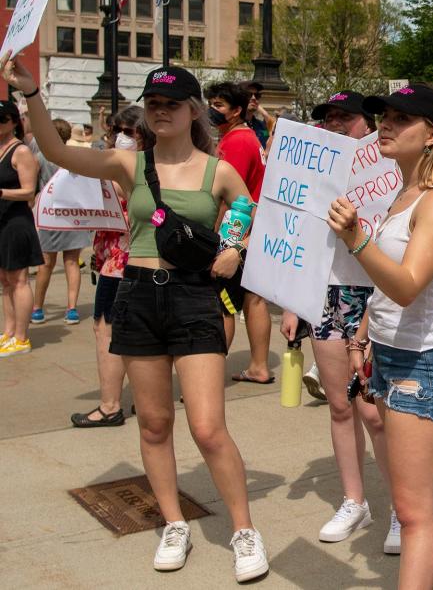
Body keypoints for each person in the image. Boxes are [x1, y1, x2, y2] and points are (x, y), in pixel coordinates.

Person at [2, 55, 269, 582]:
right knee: (153, 424)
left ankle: (244, 531)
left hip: (194, 298)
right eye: (153, 104)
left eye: (172, 104)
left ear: (194, 111)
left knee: (209, 428)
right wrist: (30, 93)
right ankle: (174, 523)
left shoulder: (218, 169)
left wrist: (234, 247)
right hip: (138, 295)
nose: (162, 111)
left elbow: (245, 204)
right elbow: (56, 151)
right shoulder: (130, 165)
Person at [328, 83, 433, 590]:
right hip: (394, 354)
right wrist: (363, 337)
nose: (386, 124)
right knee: (429, 497)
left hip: (425, 360)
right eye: (384, 115)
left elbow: (407, 286)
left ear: (432, 135)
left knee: (412, 512)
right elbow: (387, 290)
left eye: (400, 118)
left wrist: (356, 238)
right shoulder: (403, 194)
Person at [286, 90, 397, 552]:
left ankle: (399, 507)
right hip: (325, 292)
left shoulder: (388, 169)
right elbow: (295, 231)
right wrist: (292, 300)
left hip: (375, 292)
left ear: (366, 124)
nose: (334, 124)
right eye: (328, 118)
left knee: (374, 412)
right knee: (339, 404)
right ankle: (356, 500)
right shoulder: (317, 171)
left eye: (343, 117)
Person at [72, 105, 153, 427]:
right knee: (135, 334)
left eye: (128, 131)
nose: (121, 137)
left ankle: (109, 404)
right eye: (117, 130)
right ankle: (143, 401)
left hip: (124, 262)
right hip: (118, 257)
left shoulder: (133, 170)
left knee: (107, 331)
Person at [205, 81, 273, 385]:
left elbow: (227, 195)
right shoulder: (246, 137)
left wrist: (212, 232)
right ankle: (259, 365)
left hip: (235, 234)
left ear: (236, 111)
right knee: (253, 299)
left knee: (223, 304)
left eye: (218, 105)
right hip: (254, 230)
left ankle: (208, 377)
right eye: (211, 102)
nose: (211, 109)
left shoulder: (235, 142)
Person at [30, 118, 92, 325]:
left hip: (51, 213)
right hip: (74, 213)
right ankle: (72, 308)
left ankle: (37, 308)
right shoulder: (75, 156)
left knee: (46, 263)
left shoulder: (40, 157)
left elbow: (32, 187)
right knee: (72, 262)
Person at [0, 100, 42, 356]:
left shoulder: (21, 151)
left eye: (2, 118)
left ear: (14, 121)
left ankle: (22, 337)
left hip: (16, 221)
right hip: (2, 221)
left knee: (18, 279)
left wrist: (1, 192)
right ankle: (8, 331)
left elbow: (29, 190)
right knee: (5, 280)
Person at [238, 80, 274, 148]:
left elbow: (273, 131)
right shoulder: (233, 125)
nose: (254, 98)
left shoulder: (261, 126)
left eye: (257, 95)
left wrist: (265, 113)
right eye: (248, 95)